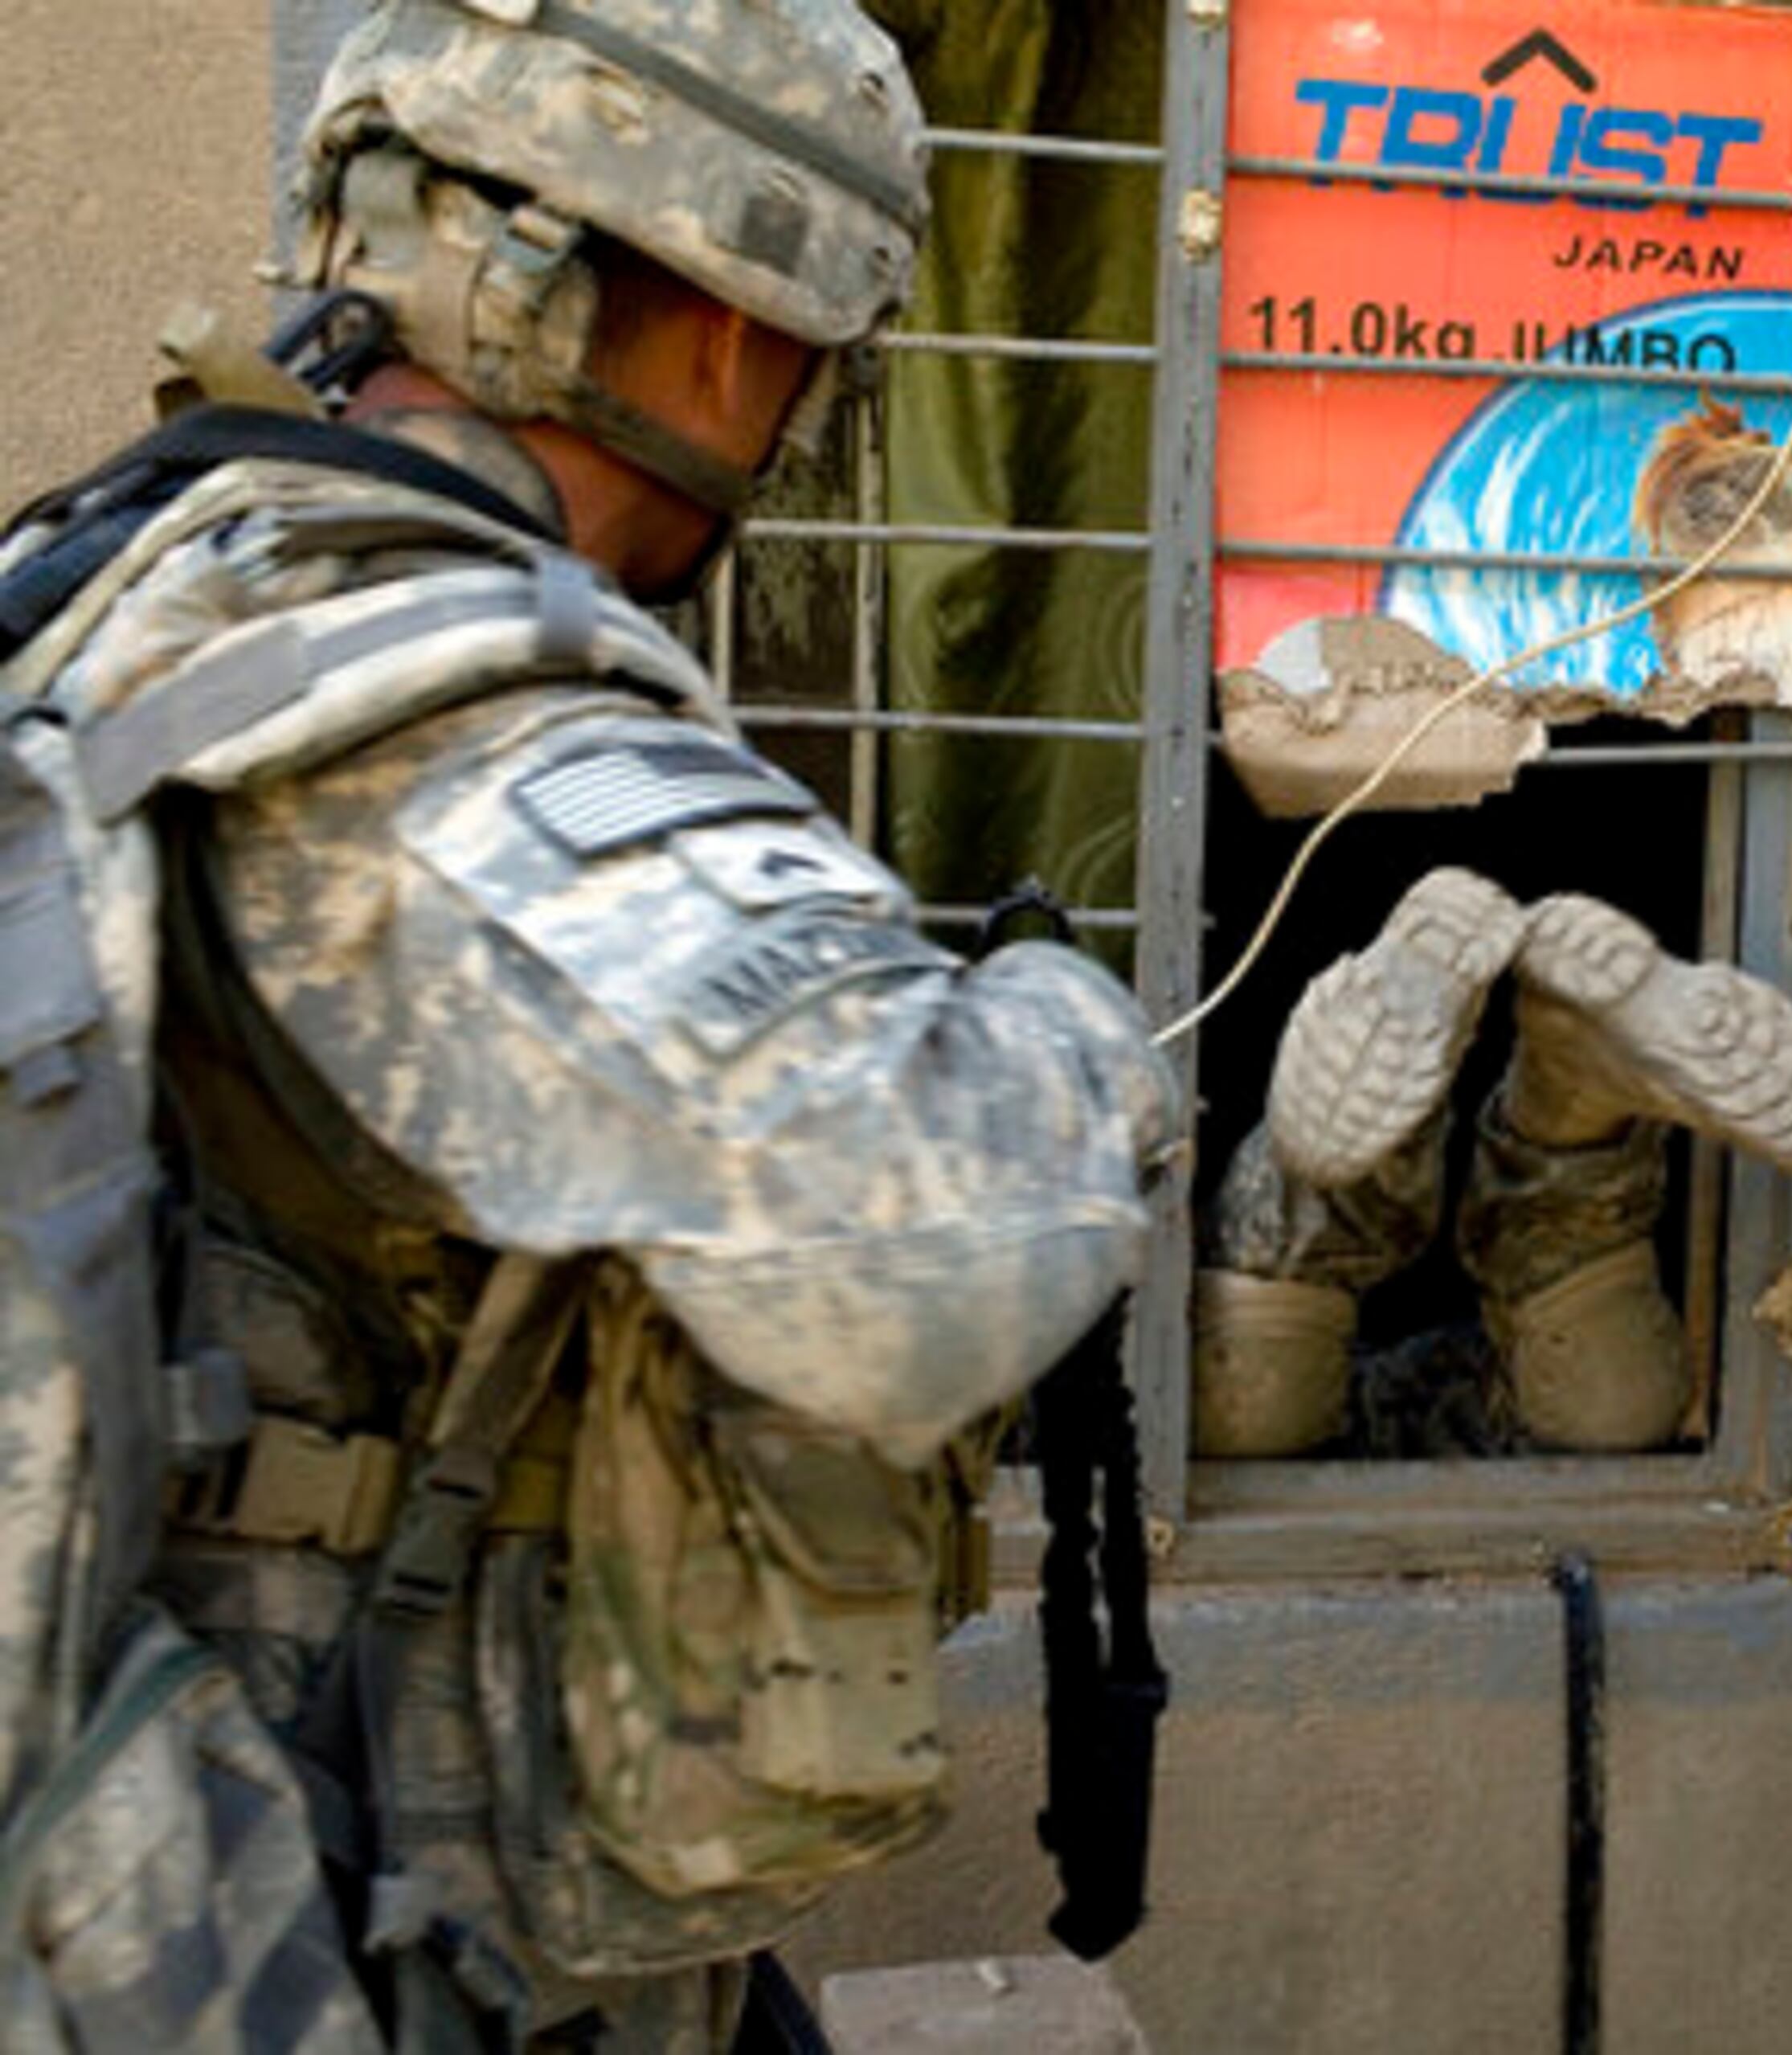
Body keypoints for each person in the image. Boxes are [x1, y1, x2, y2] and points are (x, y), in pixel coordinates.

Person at [2, 1, 1178, 2045]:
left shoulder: (109, 589)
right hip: (341, 1892)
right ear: (735, 342)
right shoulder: (448, 706)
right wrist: (1072, 1033)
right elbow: (930, 1247)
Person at [1192, 866, 1792, 1459]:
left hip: (1332, 1407)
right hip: (1490, 1408)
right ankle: (1572, 1093)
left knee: (1247, 1389)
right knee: (1609, 1389)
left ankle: (1328, 1188)